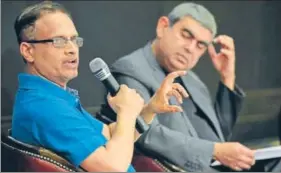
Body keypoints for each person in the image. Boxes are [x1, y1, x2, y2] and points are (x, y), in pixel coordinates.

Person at [11, 1, 189, 172]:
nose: (72, 49)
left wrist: (150, 109)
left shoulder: (53, 98)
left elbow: (111, 136)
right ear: (28, 51)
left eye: (74, 40)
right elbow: (113, 167)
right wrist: (126, 111)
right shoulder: (46, 107)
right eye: (59, 41)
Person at [104, 2, 281, 172]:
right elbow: (144, 132)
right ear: (163, 26)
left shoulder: (192, 80)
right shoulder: (131, 69)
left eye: (200, 45)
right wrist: (214, 150)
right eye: (186, 35)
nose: (190, 48)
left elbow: (217, 137)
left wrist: (227, 78)